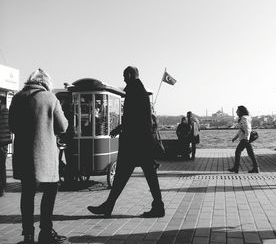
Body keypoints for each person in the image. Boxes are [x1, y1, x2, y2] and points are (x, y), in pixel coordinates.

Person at [87, 66, 165, 218]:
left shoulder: (134, 92)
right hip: (142, 143)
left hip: (135, 143)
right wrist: (120, 128)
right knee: (145, 176)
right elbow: (138, 118)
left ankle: (109, 206)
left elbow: (133, 119)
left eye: (124, 75)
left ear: (130, 75)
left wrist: (120, 129)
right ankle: (157, 206)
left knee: (123, 176)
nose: (123, 78)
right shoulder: (140, 91)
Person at [9, 69, 69, 244]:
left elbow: (12, 125)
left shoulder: (18, 97)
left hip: (23, 156)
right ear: (45, 82)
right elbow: (63, 126)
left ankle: (28, 234)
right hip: (45, 156)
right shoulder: (50, 98)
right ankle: (45, 231)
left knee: (27, 194)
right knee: (50, 191)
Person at [228, 106, 259, 173]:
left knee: (238, 152)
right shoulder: (246, 118)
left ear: (241, 111)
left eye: (237, 110)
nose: (236, 112)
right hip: (245, 138)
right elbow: (241, 130)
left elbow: (247, 129)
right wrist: (235, 138)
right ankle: (256, 168)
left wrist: (246, 139)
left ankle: (236, 168)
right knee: (251, 153)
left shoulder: (244, 118)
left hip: (245, 139)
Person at [0, 96, 12, 197]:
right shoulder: (6, 111)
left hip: (2, 142)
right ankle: (3, 185)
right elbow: (10, 126)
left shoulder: (4, 112)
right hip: (4, 143)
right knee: (2, 165)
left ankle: (1, 187)